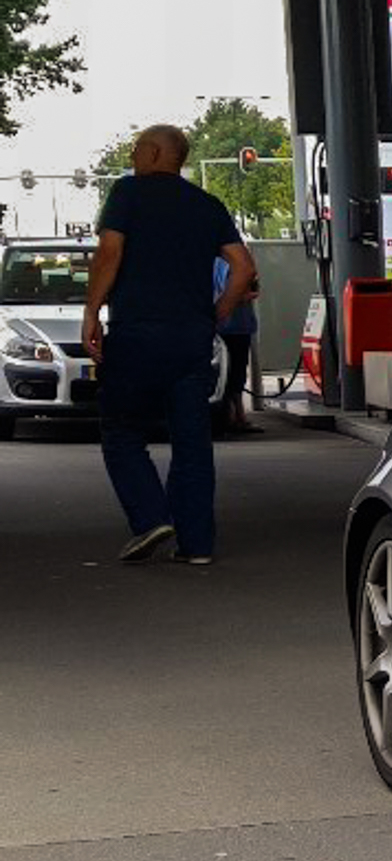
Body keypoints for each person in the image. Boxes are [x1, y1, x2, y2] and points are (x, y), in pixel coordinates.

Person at [80, 124, 257, 565]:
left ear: (156, 152)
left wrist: (91, 312)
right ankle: (197, 545)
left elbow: (109, 253)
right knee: (192, 441)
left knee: (122, 432)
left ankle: (150, 518)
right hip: (191, 339)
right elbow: (243, 267)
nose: (134, 156)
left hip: (137, 333)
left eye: (137, 148)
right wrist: (218, 311)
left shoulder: (128, 194)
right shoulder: (206, 204)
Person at [210, 252, 261, 436]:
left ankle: (234, 415)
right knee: (235, 372)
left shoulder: (213, 261)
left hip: (224, 325)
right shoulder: (233, 264)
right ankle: (236, 416)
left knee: (227, 372)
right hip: (235, 325)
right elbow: (244, 292)